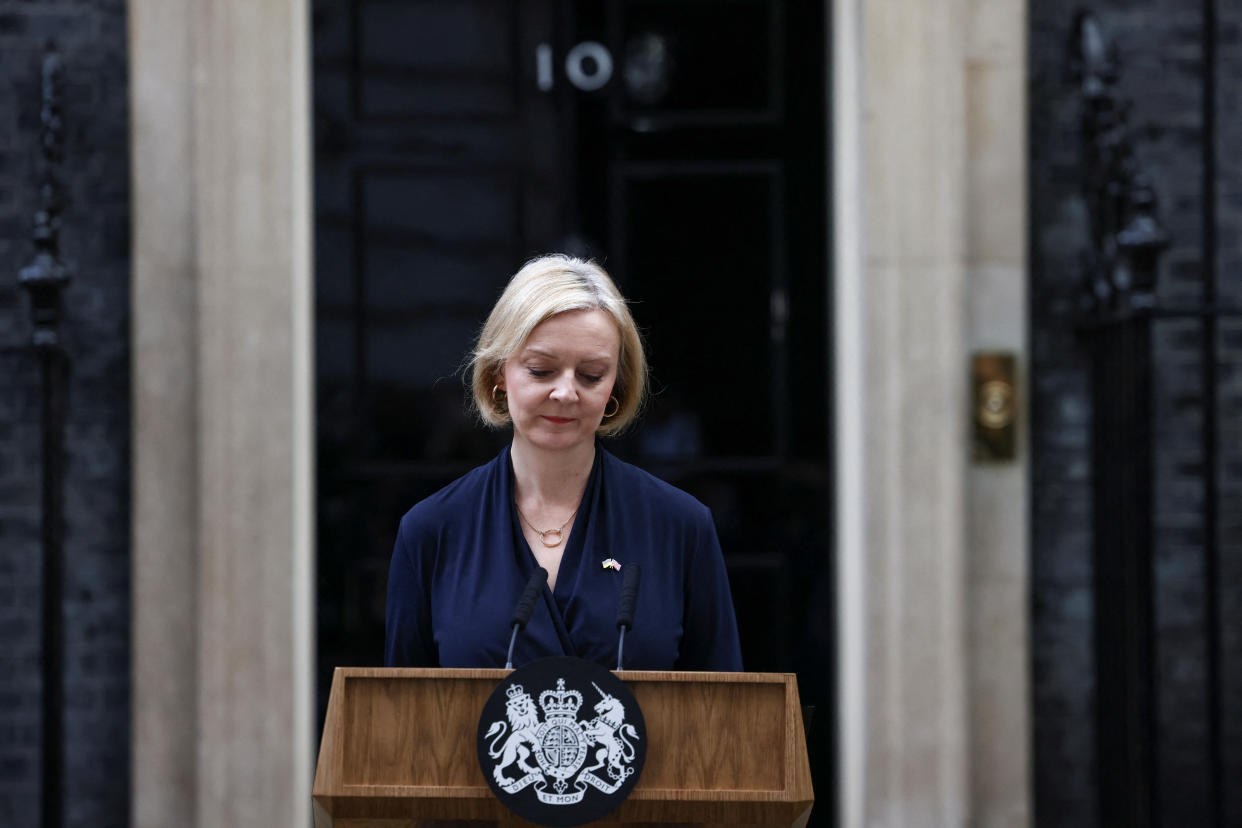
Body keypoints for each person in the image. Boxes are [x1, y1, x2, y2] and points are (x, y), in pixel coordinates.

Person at [384, 254, 742, 671]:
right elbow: (403, 719)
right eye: (541, 370)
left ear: (615, 387)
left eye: (590, 375)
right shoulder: (432, 531)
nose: (566, 393)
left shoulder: (681, 526)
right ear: (500, 372)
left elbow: (724, 716)